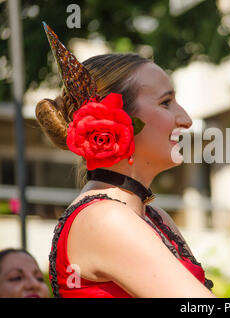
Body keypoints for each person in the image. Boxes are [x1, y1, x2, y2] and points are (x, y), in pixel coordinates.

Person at [35, 23, 215, 298]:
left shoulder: (154, 215)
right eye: (166, 103)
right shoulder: (105, 218)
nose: (186, 119)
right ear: (117, 119)